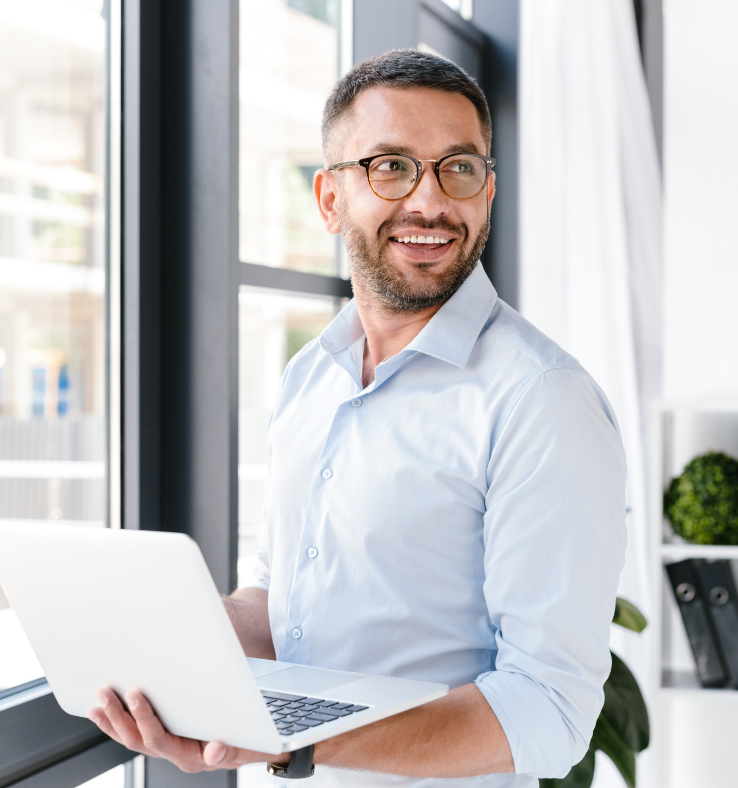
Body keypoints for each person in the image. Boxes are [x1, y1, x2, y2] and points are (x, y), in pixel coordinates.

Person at [88, 49, 627, 787]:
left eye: (458, 168)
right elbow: (285, 605)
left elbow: (550, 711)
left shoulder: (540, 399)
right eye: (391, 166)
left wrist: (294, 742)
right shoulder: (310, 378)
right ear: (330, 199)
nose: (430, 202)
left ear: (488, 191)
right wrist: (169, 643)